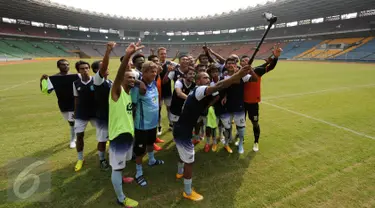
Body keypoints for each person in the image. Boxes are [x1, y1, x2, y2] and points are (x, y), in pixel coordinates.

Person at [173, 65, 255, 201]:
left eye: (208, 77)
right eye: (204, 77)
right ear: (198, 81)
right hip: (183, 132)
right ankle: (187, 191)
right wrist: (239, 74)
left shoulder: (195, 91)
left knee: (183, 154)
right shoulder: (200, 90)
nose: (207, 79)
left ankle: (179, 172)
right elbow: (219, 85)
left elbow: (220, 89)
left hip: (181, 129)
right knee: (190, 161)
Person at [109, 41, 143, 207]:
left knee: (120, 164)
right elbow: (119, 74)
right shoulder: (117, 91)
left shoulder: (129, 93)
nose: (132, 80)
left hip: (128, 135)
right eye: (128, 77)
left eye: (133, 78)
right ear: (121, 79)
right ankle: (121, 198)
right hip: (119, 136)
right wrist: (128, 55)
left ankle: (121, 178)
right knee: (116, 166)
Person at [243, 45, 282, 152]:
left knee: (255, 122)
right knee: (240, 122)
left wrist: (275, 58)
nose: (246, 62)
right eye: (244, 61)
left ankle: (256, 142)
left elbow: (270, 67)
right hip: (242, 102)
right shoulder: (238, 73)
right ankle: (240, 138)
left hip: (253, 102)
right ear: (241, 63)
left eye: (248, 60)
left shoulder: (257, 70)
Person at [131, 61, 165, 187]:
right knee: (140, 151)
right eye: (152, 72)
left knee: (151, 143)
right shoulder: (138, 88)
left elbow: (158, 71)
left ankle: (151, 160)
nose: (154, 74)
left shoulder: (153, 83)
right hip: (142, 126)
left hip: (152, 124)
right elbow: (133, 106)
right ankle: (138, 173)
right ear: (144, 73)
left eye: (155, 72)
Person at [220, 58, 258, 154]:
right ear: (226, 65)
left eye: (233, 63)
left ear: (236, 66)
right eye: (228, 63)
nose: (231, 65)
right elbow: (222, 89)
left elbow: (255, 79)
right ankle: (228, 142)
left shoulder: (242, 76)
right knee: (227, 127)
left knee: (240, 127)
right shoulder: (223, 77)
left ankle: (241, 143)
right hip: (227, 106)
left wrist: (250, 70)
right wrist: (224, 96)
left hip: (239, 106)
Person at [40, 59, 79, 148]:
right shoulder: (53, 78)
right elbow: (47, 91)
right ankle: (75, 135)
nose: (66, 66)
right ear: (58, 66)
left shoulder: (75, 76)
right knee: (70, 122)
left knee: (72, 122)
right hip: (63, 104)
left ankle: (73, 139)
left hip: (74, 103)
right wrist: (42, 81)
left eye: (67, 64)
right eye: (63, 65)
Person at [92, 42, 116, 170]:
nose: (106, 68)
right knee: (102, 140)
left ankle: (112, 157)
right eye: (102, 67)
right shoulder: (97, 80)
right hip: (102, 117)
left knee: (112, 138)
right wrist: (108, 51)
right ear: (97, 71)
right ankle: (102, 160)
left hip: (112, 116)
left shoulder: (109, 81)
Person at [73, 61, 98, 171]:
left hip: (95, 113)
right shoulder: (75, 83)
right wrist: (75, 111)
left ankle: (103, 155)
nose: (85, 70)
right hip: (81, 113)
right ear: (78, 71)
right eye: (82, 68)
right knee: (79, 136)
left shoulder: (96, 81)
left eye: (87, 68)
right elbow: (76, 98)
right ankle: (80, 159)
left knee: (104, 133)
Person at [158, 47, 178, 134]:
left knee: (169, 108)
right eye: (162, 53)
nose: (163, 55)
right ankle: (159, 126)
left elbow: (180, 66)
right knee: (157, 110)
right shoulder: (155, 64)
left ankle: (171, 124)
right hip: (157, 91)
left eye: (165, 53)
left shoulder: (170, 63)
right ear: (158, 54)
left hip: (167, 90)